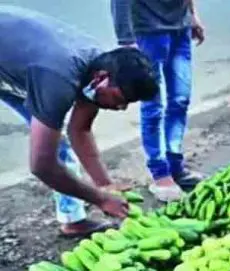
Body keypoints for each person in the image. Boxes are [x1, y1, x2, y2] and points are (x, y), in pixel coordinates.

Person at [0, 6, 159, 237]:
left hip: (18, 61)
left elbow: (80, 129)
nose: (121, 108)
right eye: (121, 99)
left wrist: (105, 186)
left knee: (57, 142)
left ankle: (73, 221)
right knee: (51, 149)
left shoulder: (98, 71)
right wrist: (100, 199)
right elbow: (41, 166)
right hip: (34, 66)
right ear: (101, 78)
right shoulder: (59, 79)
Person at [111, 0, 206, 201]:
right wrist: (126, 41)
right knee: (153, 105)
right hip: (149, 30)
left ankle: (175, 165)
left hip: (181, 26)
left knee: (180, 100)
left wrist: (193, 15)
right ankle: (160, 173)